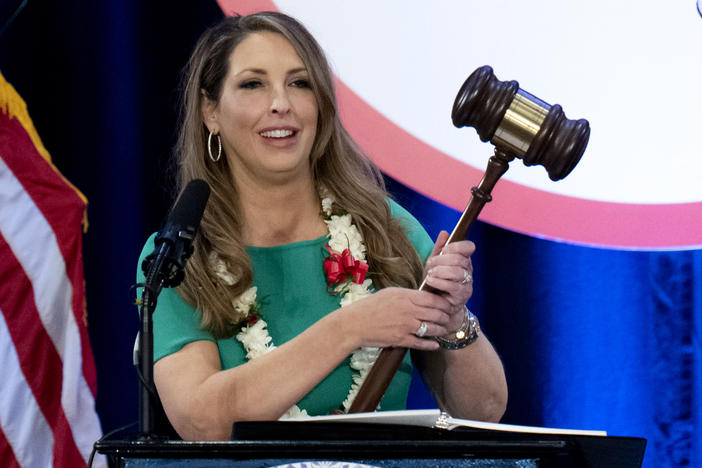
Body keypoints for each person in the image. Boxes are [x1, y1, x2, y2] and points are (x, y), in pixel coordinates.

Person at [137, 11, 507, 441]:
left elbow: (484, 410)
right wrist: (351, 327)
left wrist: (454, 318)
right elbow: (201, 421)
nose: (282, 103)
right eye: (253, 84)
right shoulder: (177, 256)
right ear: (210, 111)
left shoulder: (385, 229)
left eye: (300, 83)